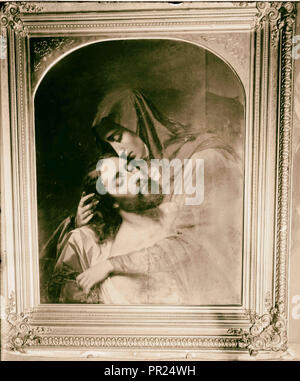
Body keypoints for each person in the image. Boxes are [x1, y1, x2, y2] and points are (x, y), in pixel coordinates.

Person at [43, 88, 243, 305]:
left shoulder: (203, 158)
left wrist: (112, 264)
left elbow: (194, 240)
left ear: (137, 121)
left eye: (117, 137)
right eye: (109, 145)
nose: (119, 151)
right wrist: (84, 224)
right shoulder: (144, 173)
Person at [49, 154, 190, 304]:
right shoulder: (94, 243)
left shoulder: (178, 211)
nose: (136, 175)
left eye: (131, 168)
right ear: (111, 203)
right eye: (119, 180)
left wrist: (112, 265)